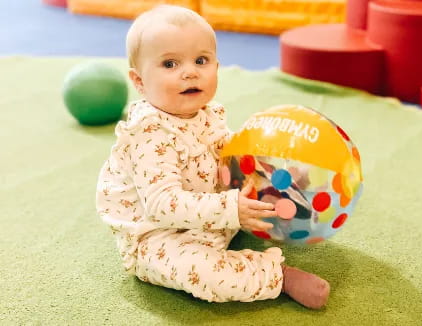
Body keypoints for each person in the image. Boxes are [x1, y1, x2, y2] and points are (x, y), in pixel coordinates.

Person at [96, 5, 330, 309]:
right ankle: (278, 276)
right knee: (207, 274)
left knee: (253, 183)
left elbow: (229, 156)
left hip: (214, 215)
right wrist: (229, 207)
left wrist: (267, 171)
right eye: (170, 64)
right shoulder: (149, 133)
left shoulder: (208, 115)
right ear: (139, 82)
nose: (190, 71)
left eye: (201, 60)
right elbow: (161, 204)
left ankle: (285, 196)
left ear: (216, 68)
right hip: (161, 237)